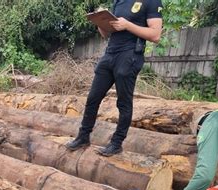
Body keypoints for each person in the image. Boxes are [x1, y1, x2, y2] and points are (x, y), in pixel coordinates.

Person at [66, 1, 163, 156]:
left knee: (123, 102)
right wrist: (100, 21)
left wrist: (128, 25)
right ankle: (83, 136)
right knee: (93, 98)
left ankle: (117, 143)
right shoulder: (119, 1)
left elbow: (156, 35)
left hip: (129, 55)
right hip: (110, 53)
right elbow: (106, 34)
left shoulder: (151, 1)